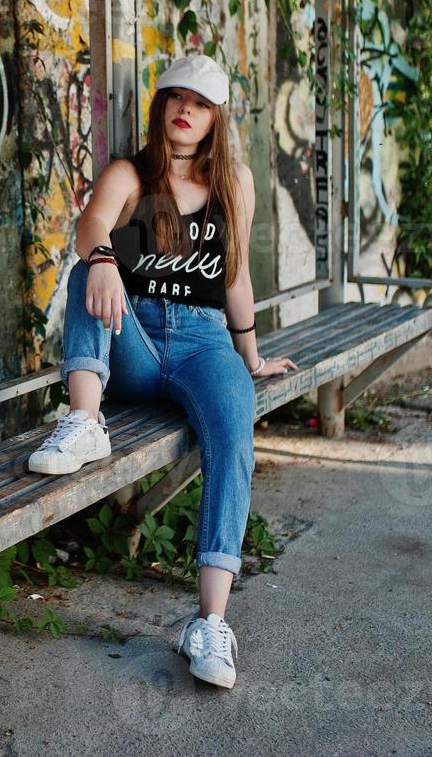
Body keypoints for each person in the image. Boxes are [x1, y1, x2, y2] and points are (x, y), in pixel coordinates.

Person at [26, 54, 299, 689]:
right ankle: (85, 420)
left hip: (205, 345)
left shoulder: (237, 185)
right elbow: (94, 223)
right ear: (161, 106)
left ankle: (209, 623)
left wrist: (251, 357)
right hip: (136, 338)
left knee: (235, 434)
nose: (185, 110)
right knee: (87, 270)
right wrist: (100, 256)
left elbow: (234, 275)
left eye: (200, 103)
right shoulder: (130, 172)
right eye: (176, 97)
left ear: (216, 117)